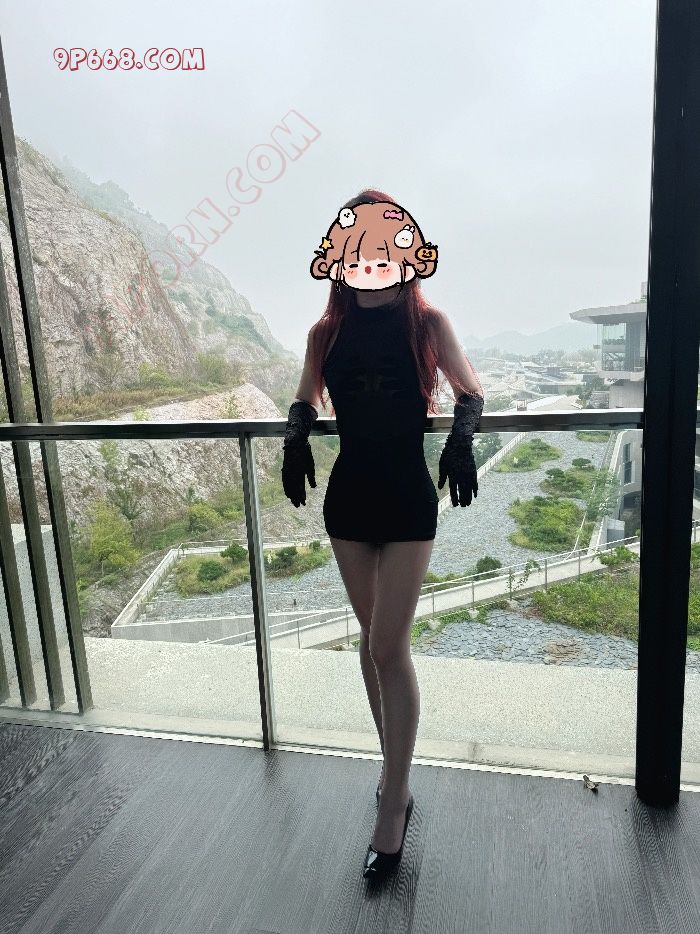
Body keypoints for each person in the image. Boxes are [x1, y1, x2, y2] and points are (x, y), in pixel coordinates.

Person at [281, 188, 484, 879]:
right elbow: (306, 395)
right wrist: (296, 437)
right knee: (372, 645)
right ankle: (393, 769)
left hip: (406, 500)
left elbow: (470, 389)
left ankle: (394, 801)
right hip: (349, 501)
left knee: (386, 646)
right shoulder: (325, 333)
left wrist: (461, 439)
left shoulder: (427, 323)